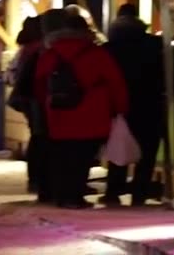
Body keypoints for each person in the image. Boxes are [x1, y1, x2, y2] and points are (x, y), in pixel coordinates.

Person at [34, 11, 128, 209]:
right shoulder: (97, 53)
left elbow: (40, 84)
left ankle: (61, 195)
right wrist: (120, 108)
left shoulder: (51, 53)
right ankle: (75, 196)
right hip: (91, 114)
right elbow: (115, 82)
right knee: (82, 157)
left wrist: (46, 106)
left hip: (58, 114)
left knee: (62, 156)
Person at [102, 4, 165, 207]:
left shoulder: (108, 49)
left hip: (119, 104)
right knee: (147, 149)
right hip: (150, 102)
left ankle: (114, 189)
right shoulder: (155, 44)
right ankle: (140, 191)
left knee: (118, 146)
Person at [8, 15, 46, 198]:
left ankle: (34, 179)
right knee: (40, 137)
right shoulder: (38, 49)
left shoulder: (24, 49)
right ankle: (37, 178)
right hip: (36, 98)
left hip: (27, 99)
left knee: (36, 137)